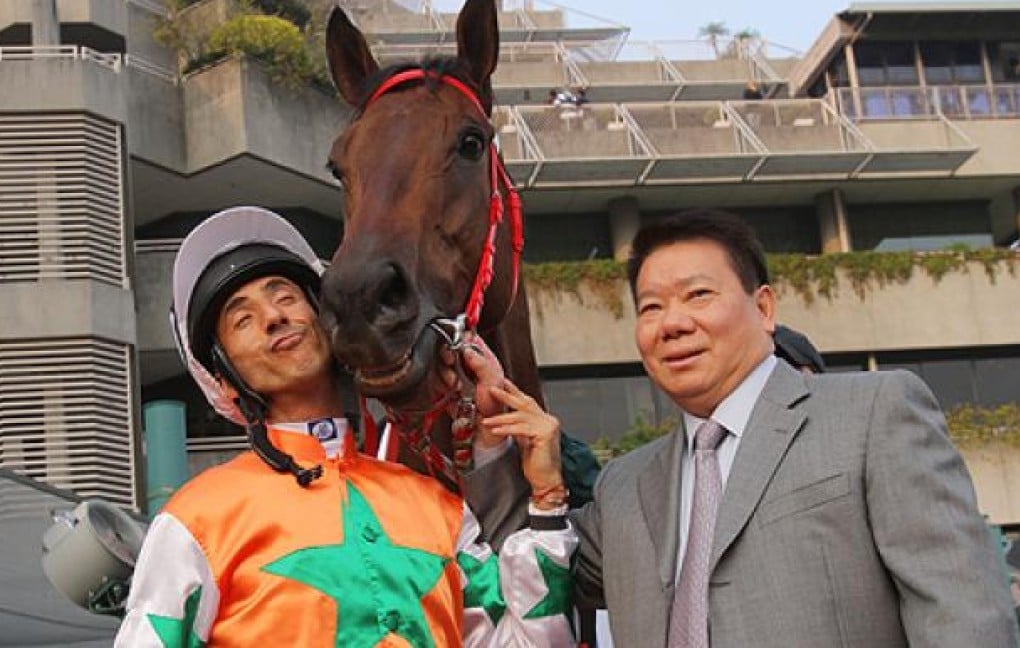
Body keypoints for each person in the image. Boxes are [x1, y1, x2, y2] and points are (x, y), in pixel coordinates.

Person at [466, 208, 1018, 647]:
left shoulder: (873, 413)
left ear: (765, 307)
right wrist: (527, 472)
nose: (673, 323)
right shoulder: (625, 487)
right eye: (651, 306)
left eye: (698, 295)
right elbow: (535, 583)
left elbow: (961, 612)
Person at [115, 206, 576, 647]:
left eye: (286, 297)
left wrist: (547, 502)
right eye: (243, 319)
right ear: (225, 382)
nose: (274, 317)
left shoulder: (438, 508)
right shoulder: (196, 519)